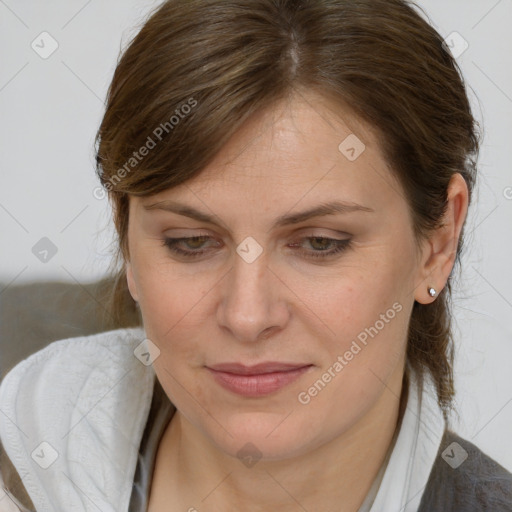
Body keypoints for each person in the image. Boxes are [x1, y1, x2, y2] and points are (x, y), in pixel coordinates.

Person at [1, 0, 511, 510]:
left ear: (438, 242)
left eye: (320, 243)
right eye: (191, 242)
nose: (247, 316)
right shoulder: (26, 436)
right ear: (126, 236)